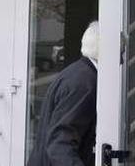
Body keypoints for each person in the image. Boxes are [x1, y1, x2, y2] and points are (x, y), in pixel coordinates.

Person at [27, 21, 99, 166]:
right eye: (121, 51)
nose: (122, 59)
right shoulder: (84, 83)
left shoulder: (77, 73)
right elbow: (60, 144)